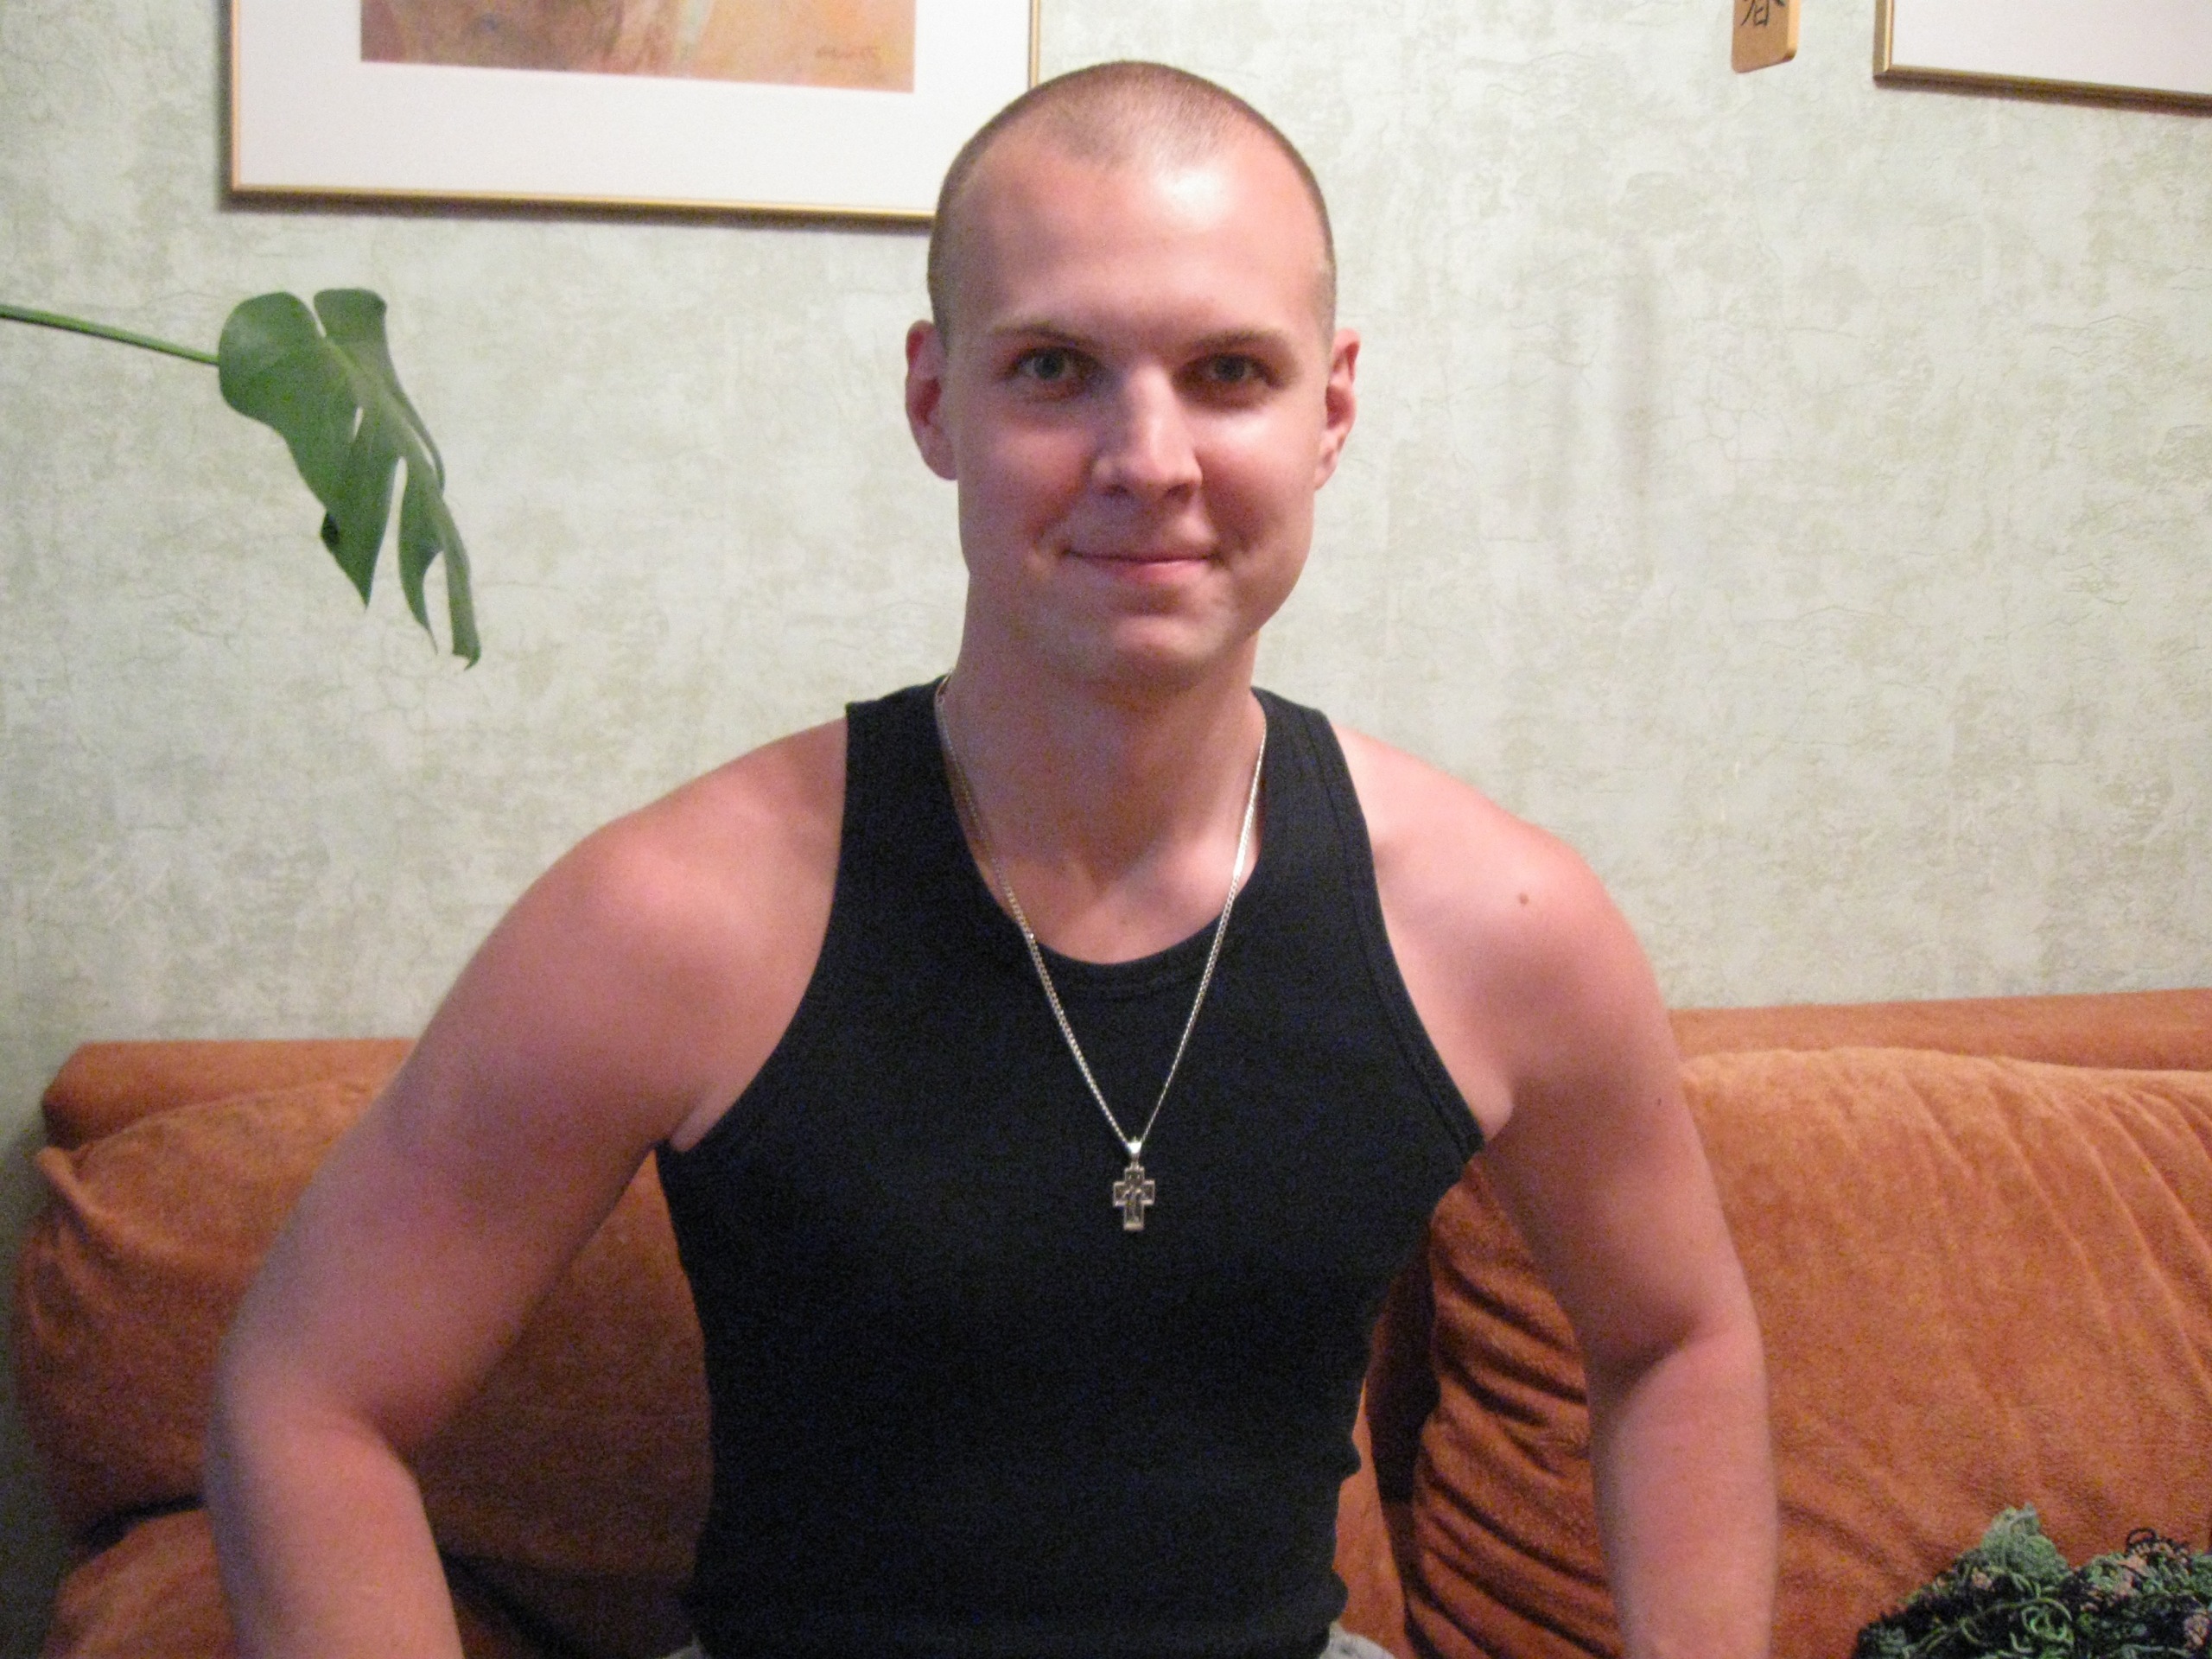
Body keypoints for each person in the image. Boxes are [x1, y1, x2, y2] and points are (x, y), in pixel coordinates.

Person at [206, 60, 1777, 1659]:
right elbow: (308, 1398)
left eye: (1230, 371)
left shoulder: (1504, 926)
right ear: (934, 400)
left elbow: (1677, 1339)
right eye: (1055, 369)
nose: (1148, 457)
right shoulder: (675, 919)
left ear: (1332, 409)